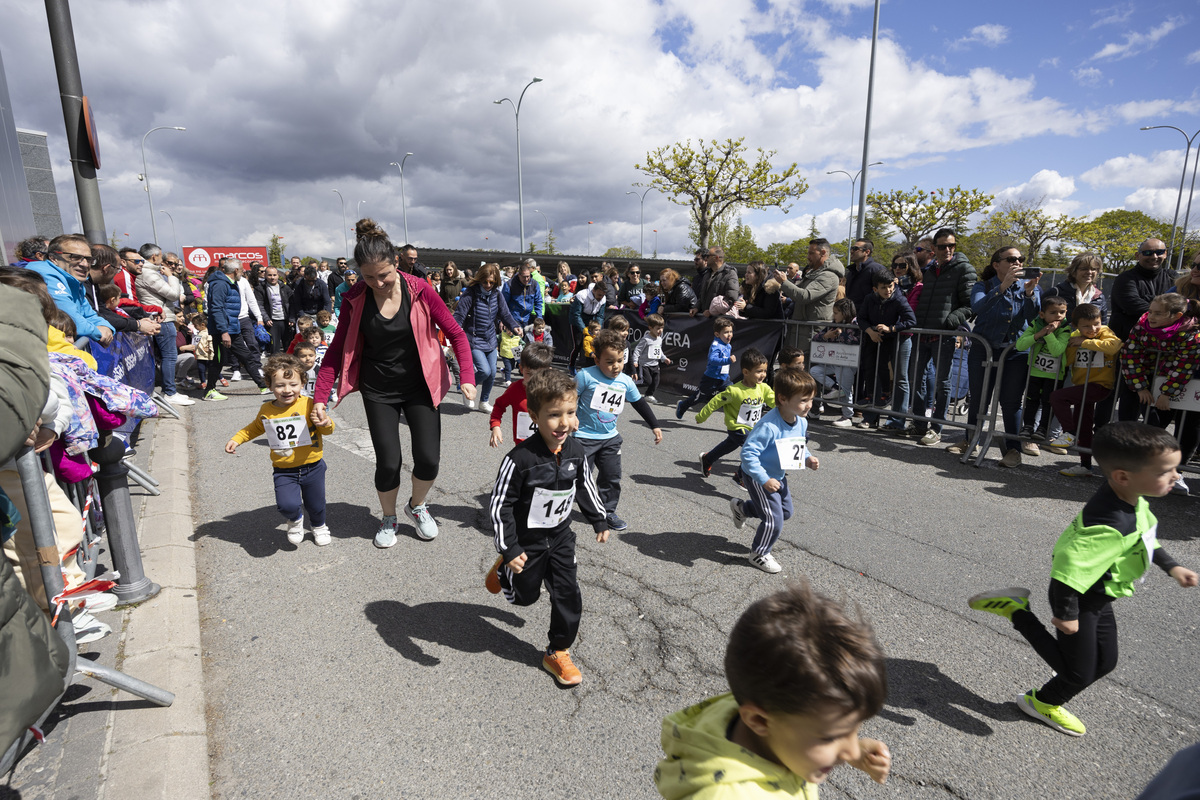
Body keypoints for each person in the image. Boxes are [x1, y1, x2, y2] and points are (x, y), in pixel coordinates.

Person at [968, 422, 1197, 737]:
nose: (1176, 476)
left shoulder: (1131, 498)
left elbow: (1145, 537)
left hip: (1099, 596)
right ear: (1122, 476)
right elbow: (1067, 569)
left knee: (1105, 663)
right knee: (1076, 672)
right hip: (1079, 598)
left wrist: (1172, 567)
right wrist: (1066, 615)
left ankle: (1044, 702)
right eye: (1165, 471)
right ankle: (1015, 610)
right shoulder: (1109, 523)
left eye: (1176, 468)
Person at [313, 219, 476, 548]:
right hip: (379, 390)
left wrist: (469, 378)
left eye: (384, 275)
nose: (378, 283)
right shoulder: (356, 297)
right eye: (368, 276)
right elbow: (336, 351)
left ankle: (417, 506)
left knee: (429, 459)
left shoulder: (420, 290)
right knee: (389, 461)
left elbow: (456, 334)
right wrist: (320, 396)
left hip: (420, 385)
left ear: (396, 263)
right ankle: (388, 517)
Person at [655, 582, 891, 798]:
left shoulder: (766, 707)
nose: (849, 752)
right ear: (759, 720)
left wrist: (856, 751)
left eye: (854, 730)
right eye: (831, 737)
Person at [484, 369, 609, 687]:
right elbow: (501, 506)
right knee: (525, 598)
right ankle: (505, 570)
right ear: (534, 417)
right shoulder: (520, 460)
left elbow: (585, 487)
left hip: (561, 537)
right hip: (527, 542)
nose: (564, 422)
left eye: (570, 412)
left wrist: (599, 518)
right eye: (554, 415)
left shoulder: (576, 452)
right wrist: (510, 548)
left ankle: (558, 651)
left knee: (568, 593)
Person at [226, 354, 335, 546]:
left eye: (293, 384)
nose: (287, 390)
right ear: (269, 385)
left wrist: (325, 422)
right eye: (280, 385)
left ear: (302, 383)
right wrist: (237, 439)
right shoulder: (267, 410)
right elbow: (255, 428)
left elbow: (327, 429)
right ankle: (295, 520)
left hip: (313, 466)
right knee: (287, 505)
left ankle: (319, 526)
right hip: (284, 470)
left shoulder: (310, 404)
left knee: (316, 504)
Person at [953, 246, 1039, 466]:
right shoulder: (983, 285)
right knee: (979, 398)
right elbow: (978, 308)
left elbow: (1034, 317)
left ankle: (1013, 449)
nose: (1017, 262)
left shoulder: (1029, 286)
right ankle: (971, 440)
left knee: (1011, 402)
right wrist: (1003, 286)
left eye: (1020, 259)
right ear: (996, 264)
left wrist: (1029, 294)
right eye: (1011, 259)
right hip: (985, 348)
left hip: (1015, 351)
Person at [728, 369, 819, 573]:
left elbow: (798, 445)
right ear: (783, 399)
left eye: (811, 399)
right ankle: (759, 553)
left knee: (786, 512)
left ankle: (742, 509)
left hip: (777, 475)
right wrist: (763, 479)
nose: (809, 405)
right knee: (774, 519)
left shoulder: (801, 421)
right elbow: (748, 454)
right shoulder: (769, 426)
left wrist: (807, 458)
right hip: (758, 476)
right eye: (804, 400)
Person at [574, 329, 663, 531]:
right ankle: (573, 504)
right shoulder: (585, 376)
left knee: (611, 477)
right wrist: (570, 417)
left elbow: (639, 403)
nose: (616, 367)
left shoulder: (625, 381)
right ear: (597, 360)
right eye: (610, 362)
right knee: (580, 478)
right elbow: (569, 399)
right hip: (583, 438)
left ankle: (607, 511)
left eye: (621, 361)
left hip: (610, 438)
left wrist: (655, 425)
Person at [1118, 293, 1200, 494]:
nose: (1151, 316)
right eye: (1150, 311)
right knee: (1152, 428)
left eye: (1158, 314)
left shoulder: (1192, 335)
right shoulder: (1141, 325)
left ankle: (1176, 473)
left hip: (1186, 385)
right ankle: (1144, 470)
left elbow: (1184, 367)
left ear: (1176, 315)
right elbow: (1130, 354)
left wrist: (1167, 393)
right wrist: (1140, 386)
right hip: (1148, 383)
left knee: (1188, 429)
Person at [910, 228, 977, 446]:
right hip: (923, 333)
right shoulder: (929, 271)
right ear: (933, 249)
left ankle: (936, 428)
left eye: (951, 245)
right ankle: (919, 423)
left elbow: (970, 305)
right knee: (916, 379)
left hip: (945, 335)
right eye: (942, 246)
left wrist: (951, 322)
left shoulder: (964, 269)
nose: (947, 249)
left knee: (943, 383)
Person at [1048, 303, 1123, 477]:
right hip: (1081, 386)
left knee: (1057, 397)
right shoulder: (1073, 335)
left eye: (1096, 323)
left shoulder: (1105, 332)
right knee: (1084, 426)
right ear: (1076, 326)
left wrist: (1086, 342)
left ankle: (1069, 433)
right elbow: (1068, 360)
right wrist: (1075, 345)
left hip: (1100, 385)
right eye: (1086, 326)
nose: (1093, 328)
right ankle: (1085, 465)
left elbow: (1114, 346)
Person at [697, 348, 774, 487]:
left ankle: (708, 458)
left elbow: (775, 402)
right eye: (759, 371)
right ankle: (740, 476)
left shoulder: (764, 388)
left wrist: (789, 410)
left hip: (752, 428)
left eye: (764, 371)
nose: (763, 375)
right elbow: (716, 401)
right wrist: (702, 416)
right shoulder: (734, 391)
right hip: (737, 427)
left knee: (729, 445)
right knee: (754, 449)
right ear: (745, 372)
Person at [22, 234, 115, 345]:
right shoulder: (46, 276)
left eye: (89, 259)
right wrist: (98, 332)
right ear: (53, 258)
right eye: (75, 257)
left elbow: (89, 314)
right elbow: (70, 319)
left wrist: (107, 328)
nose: (85, 264)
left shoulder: (74, 281)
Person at [453, 263, 522, 412]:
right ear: (480, 280)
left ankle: (484, 401)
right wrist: (456, 329)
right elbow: (459, 314)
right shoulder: (471, 293)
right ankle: (467, 389)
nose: (488, 285)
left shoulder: (497, 294)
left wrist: (514, 325)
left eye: (492, 282)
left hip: (490, 338)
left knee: (492, 372)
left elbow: (505, 313)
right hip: (473, 338)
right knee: (484, 371)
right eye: (485, 282)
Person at [857, 273, 916, 430]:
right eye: (884, 287)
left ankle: (897, 421)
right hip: (874, 340)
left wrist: (892, 328)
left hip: (896, 341)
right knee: (873, 372)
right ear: (875, 289)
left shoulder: (899, 299)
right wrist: (870, 331)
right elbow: (861, 318)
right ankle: (870, 417)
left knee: (900, 378)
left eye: (891, 286)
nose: (888, 290)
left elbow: (911, 320)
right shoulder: (870, 299)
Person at [135, 246, 193, 405]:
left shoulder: (150, 272)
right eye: (163, 258)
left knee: (170, 355)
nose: (169, 266)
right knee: (170, 356)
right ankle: (169, 392)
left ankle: (170, 390)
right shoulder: (148, 273)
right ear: (154, 257)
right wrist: (170, 276)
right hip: (162, 318)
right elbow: (174, 294)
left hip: (163, 316)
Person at [1013, 294, 1071, 450]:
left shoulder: (1066, 328)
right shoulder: (1036, 324)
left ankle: (1042, 428)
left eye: (1062, 312)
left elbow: (1057, 350)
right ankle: (1028, 426)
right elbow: (1020, 345)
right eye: (1053, 312)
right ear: (1042, 314)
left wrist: (1050, 334)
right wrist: (1039, 334)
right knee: (1031, 400)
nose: (1058, 316)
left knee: (1048, 402)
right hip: (1035, 372)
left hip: (1054, 375)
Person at [203, 258, 267, 398]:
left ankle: (262, 386)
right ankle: (209, 391)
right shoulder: (220, 284)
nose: (244, 272)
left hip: (233, 328)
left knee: (247, 356)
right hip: (223, 331)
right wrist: (224, 332)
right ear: (236, 270)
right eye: (242, 270)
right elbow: (217, 308)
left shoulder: (231, 283)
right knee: (218, 361)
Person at [773, 238, 844, 352]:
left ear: (823, 253)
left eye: (811, 253)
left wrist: (784, 282)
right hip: (801, 331)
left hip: (812, 334)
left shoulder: (828, 276)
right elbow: (798, 292)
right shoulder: (814, 273)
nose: (808, 257)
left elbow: (804, 296)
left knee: (804, 368)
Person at [489, 342, 554, 448]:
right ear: (521, 369)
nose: (534, 379)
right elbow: (499, 405)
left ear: (548, 371)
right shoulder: (514, 389)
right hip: (523, 447)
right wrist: (495, 426)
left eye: (539, 374)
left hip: (548, 446)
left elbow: (566, 408)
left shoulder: (554, 390)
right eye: (529, 374)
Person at [809, 298, 858, 426]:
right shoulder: (833, 324)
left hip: (847, 362)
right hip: (833, 361)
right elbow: (816, 336)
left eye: (836, 312)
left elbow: (855, 340)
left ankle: (847, 416)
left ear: (845, 313)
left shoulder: (855, 323)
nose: (833, 315)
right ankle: (835, 388)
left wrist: (840, 334)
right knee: (814, 370)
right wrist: (825, 336)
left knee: (846, 389)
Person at [676, 316, 737, 419]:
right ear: (717, 334)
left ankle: (735, 419)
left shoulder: (728, 345)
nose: (729, 335)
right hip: (711, 379)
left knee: (734, 392)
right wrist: (728, 361)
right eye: (726, 332)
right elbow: (712, 360)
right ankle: (683, 405)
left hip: (724, 378)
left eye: (730, 332)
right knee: (699, 398)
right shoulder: (716, 345)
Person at [1044, 252, 1108, 324]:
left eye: (1093, 269)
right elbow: (1037, 319)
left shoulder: (1099, 297)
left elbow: (1103, 326)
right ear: (1073, 271)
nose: (1089, 272)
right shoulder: (1056, 293)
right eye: (1084, 269)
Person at [569, 280, 607, 373]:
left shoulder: (603, 299)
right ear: (594, 290)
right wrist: (584, 329)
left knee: (592, 344)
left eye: (602, 295)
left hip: (591, 319)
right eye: (599, 295)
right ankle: (571, 365)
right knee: (578, 345)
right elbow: (576, 314)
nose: (600, 297)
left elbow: (600, 316)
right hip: (577, 318)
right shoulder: (582, 295)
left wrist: (598, 328)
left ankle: (589, 367)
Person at [632, 313, 672, 403]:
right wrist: (635, 361)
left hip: (655, 364)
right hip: (645, 364)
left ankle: (649, 395)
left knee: (656, 382)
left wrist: (664, 358)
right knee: (647, 381)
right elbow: (637, 350)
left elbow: (659, 351)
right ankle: (630, 385)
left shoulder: (659, 339)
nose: (660, 330)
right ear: (650, 328)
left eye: (661, 328)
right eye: (657, 328)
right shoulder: (646, 339)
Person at [254, 265, 293, 354]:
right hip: (272, 321)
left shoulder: (285, 288)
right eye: (270, 275)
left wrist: (291, 318)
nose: (272, 277)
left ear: (278, 275)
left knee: (288, 348)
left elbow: (292, 304)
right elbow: (259, 305)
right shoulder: (260, 288)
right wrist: (266, 318)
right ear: (265, 275)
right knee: (274, 348)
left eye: (274, 275)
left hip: (285, 320)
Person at [844, 238, 888, 309]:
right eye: (851, 248)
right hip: (854, 317)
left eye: (855, 249)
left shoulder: (877, 269)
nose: (852, 251)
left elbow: (887, 296)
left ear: (867, 252)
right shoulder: (851, 272)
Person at [697, 247, 739, 318]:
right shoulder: (707, 274)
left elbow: (731, 298)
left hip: (720, 321)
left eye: (708, 256)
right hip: (704, 319)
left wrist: (712, 312)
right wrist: (696, 307)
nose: (705, 259)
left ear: (716, 258)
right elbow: (701, 296)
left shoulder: (730, 273)